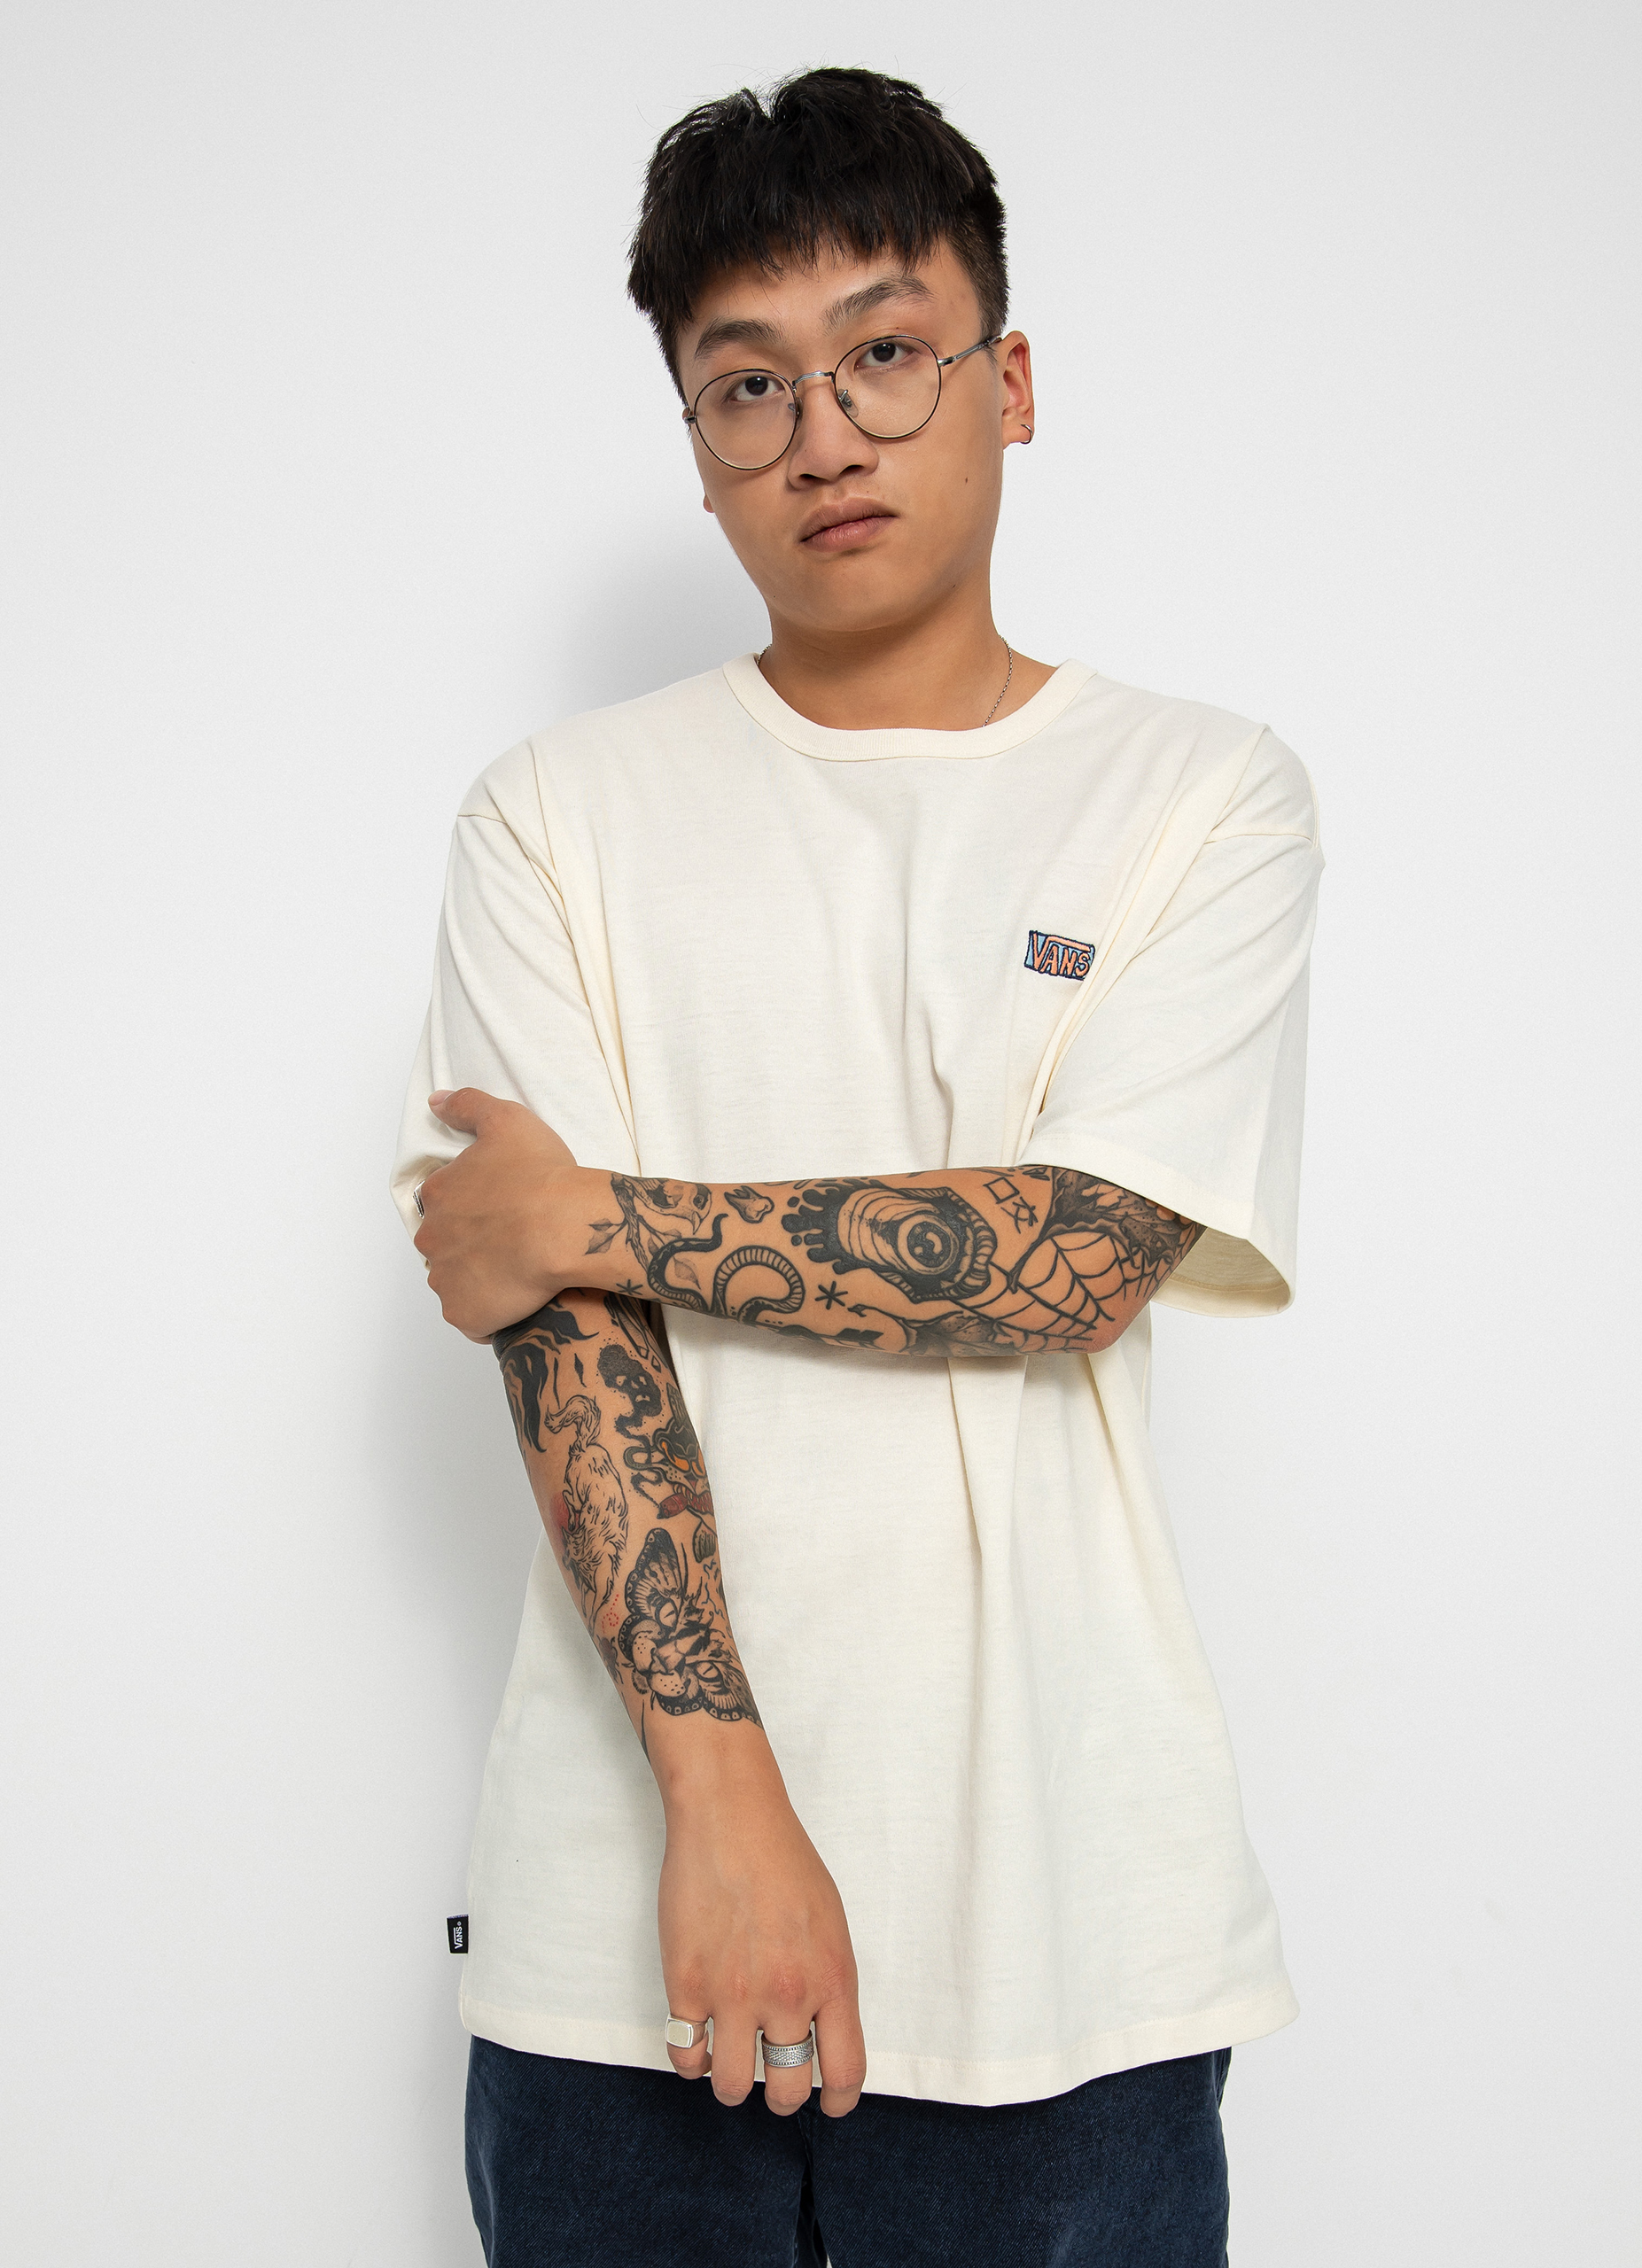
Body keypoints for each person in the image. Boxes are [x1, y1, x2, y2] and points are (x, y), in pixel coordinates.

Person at [393, 65, 1321, 2268]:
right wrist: (727, 1810)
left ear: (1010, 380)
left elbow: (1077, 1253)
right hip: (622, 1915)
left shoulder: (1203, 796)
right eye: (749, 385)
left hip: (1065, 1920)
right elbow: (567, 1340)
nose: (824, 435)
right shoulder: (554, 815)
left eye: (886, 352)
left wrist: (596, 1212)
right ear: (698, 441)